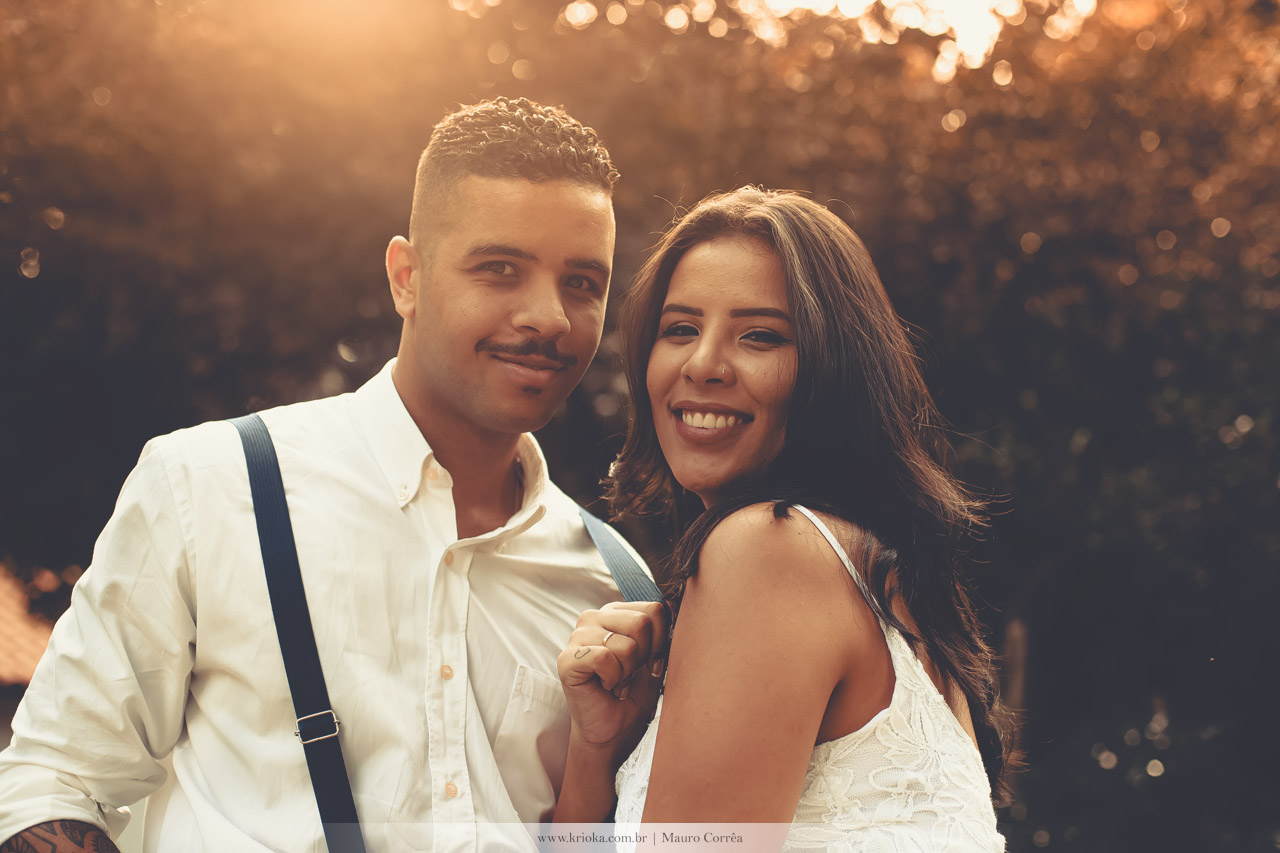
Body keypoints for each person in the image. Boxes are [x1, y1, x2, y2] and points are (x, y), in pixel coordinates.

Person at [0, 97, 666, 853]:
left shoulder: (614, 583)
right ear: (406, 277)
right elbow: (52, 781)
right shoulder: (209, 484)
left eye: (582, 282)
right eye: (500, 269)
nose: (550, 316)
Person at [554, 187, 1015, 850]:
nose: (703, 364)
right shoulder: (870, 570)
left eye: (761, 336)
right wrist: (597, 751)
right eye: (680, 329)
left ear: (833, 366)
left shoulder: (770, 546)